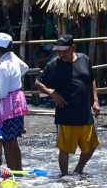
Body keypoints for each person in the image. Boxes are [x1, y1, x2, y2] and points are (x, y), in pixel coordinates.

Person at [35, 35, 101, 176]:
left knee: (90, 147)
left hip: (85, 112)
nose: (61, 53)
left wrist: (95, 101)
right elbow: (38, 83)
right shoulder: (54, 65)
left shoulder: (84, 59)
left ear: (73, 47)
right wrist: (52, 94)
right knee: (65, 149)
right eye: (58, 50)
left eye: (64, 50)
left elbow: (92, 80)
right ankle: (64, 176)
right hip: (66, 114)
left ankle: (78, 170)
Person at [0, 33, 29, 170]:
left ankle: (13, 172)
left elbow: (1, 93)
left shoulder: (4, 66)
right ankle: (18, 170)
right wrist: (13, 81)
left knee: (7, 141)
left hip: (8, 105)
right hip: (16, 102)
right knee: (13, 140)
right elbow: (25, 67)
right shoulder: (12, 57)